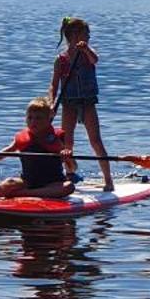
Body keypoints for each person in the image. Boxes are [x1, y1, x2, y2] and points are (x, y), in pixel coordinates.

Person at [49, 16, 113, 191]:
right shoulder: (60, 59)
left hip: (87, 103)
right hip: (68, 104)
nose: (89, 36)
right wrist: (51, 103)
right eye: (87, 33)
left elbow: (95, 60)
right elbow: (54, 84)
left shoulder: (87, 55)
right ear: (75, 35)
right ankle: (70, 174)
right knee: (67, 144)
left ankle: (108, 180)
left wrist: (86, 49)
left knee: (96, 141)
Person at [0, 98, 74, 200]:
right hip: (27, 182)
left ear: (49, 119)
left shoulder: (58, 138)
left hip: (53, 183)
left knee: (68, 187)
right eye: (30, 118)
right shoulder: (22, 138)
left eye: (38, 118)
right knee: (10, 182)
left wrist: (68, 157)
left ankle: (22, 194)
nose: (33, 122)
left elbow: (73, 168)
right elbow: (0, 155)